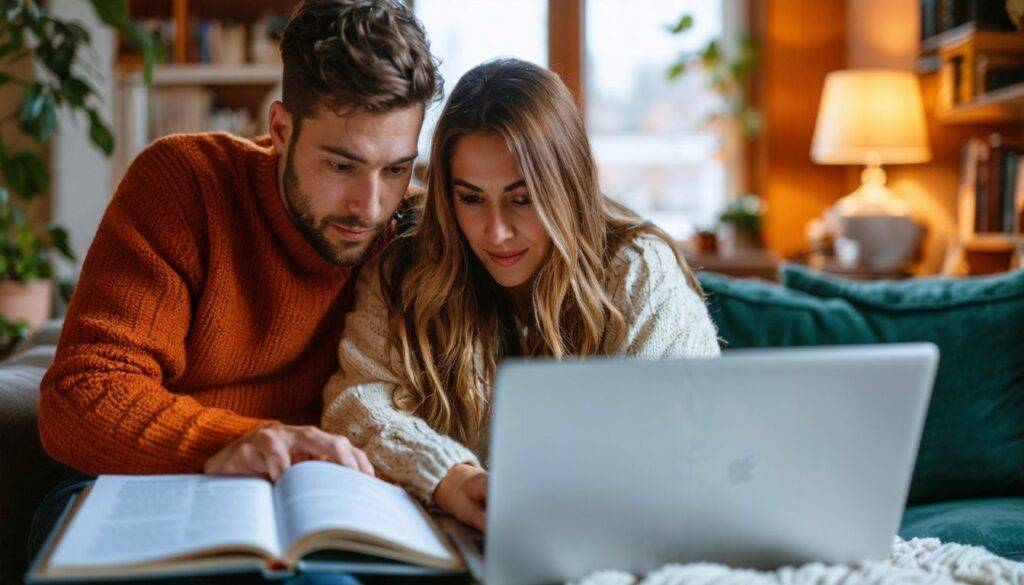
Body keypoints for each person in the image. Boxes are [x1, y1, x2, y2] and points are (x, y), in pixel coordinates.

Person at [29, 0, 442, 567]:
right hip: (148, 485)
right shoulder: (184, 184)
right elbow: (80, 396)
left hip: (317, 505)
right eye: (341, 165)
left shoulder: (408, 234)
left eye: (395, 169)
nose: (369, 207)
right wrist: (228, 442)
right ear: (280, 129)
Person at [321, 58, 721, 533]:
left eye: (522, 197)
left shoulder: (637, 271)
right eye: (470, 198)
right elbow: (357, 401)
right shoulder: (406, 267)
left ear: (566, 187)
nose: (496, 232)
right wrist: (448, 476)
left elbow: (685, 436)